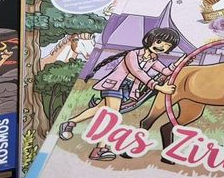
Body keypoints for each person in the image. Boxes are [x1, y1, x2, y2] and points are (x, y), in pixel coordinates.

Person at [58, 27, 184, 161]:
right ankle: (100, 149)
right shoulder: (133, 55)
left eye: (167, 45)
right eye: (159, 42)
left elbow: (165, 71)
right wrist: (158, 87)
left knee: (98, 109)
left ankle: (70, 123)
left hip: (128, 89)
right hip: (115, 84)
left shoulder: (153, 59)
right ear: (150, 39)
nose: (162, 46)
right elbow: (138, 72)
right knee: (112, 115)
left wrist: (177, 63)